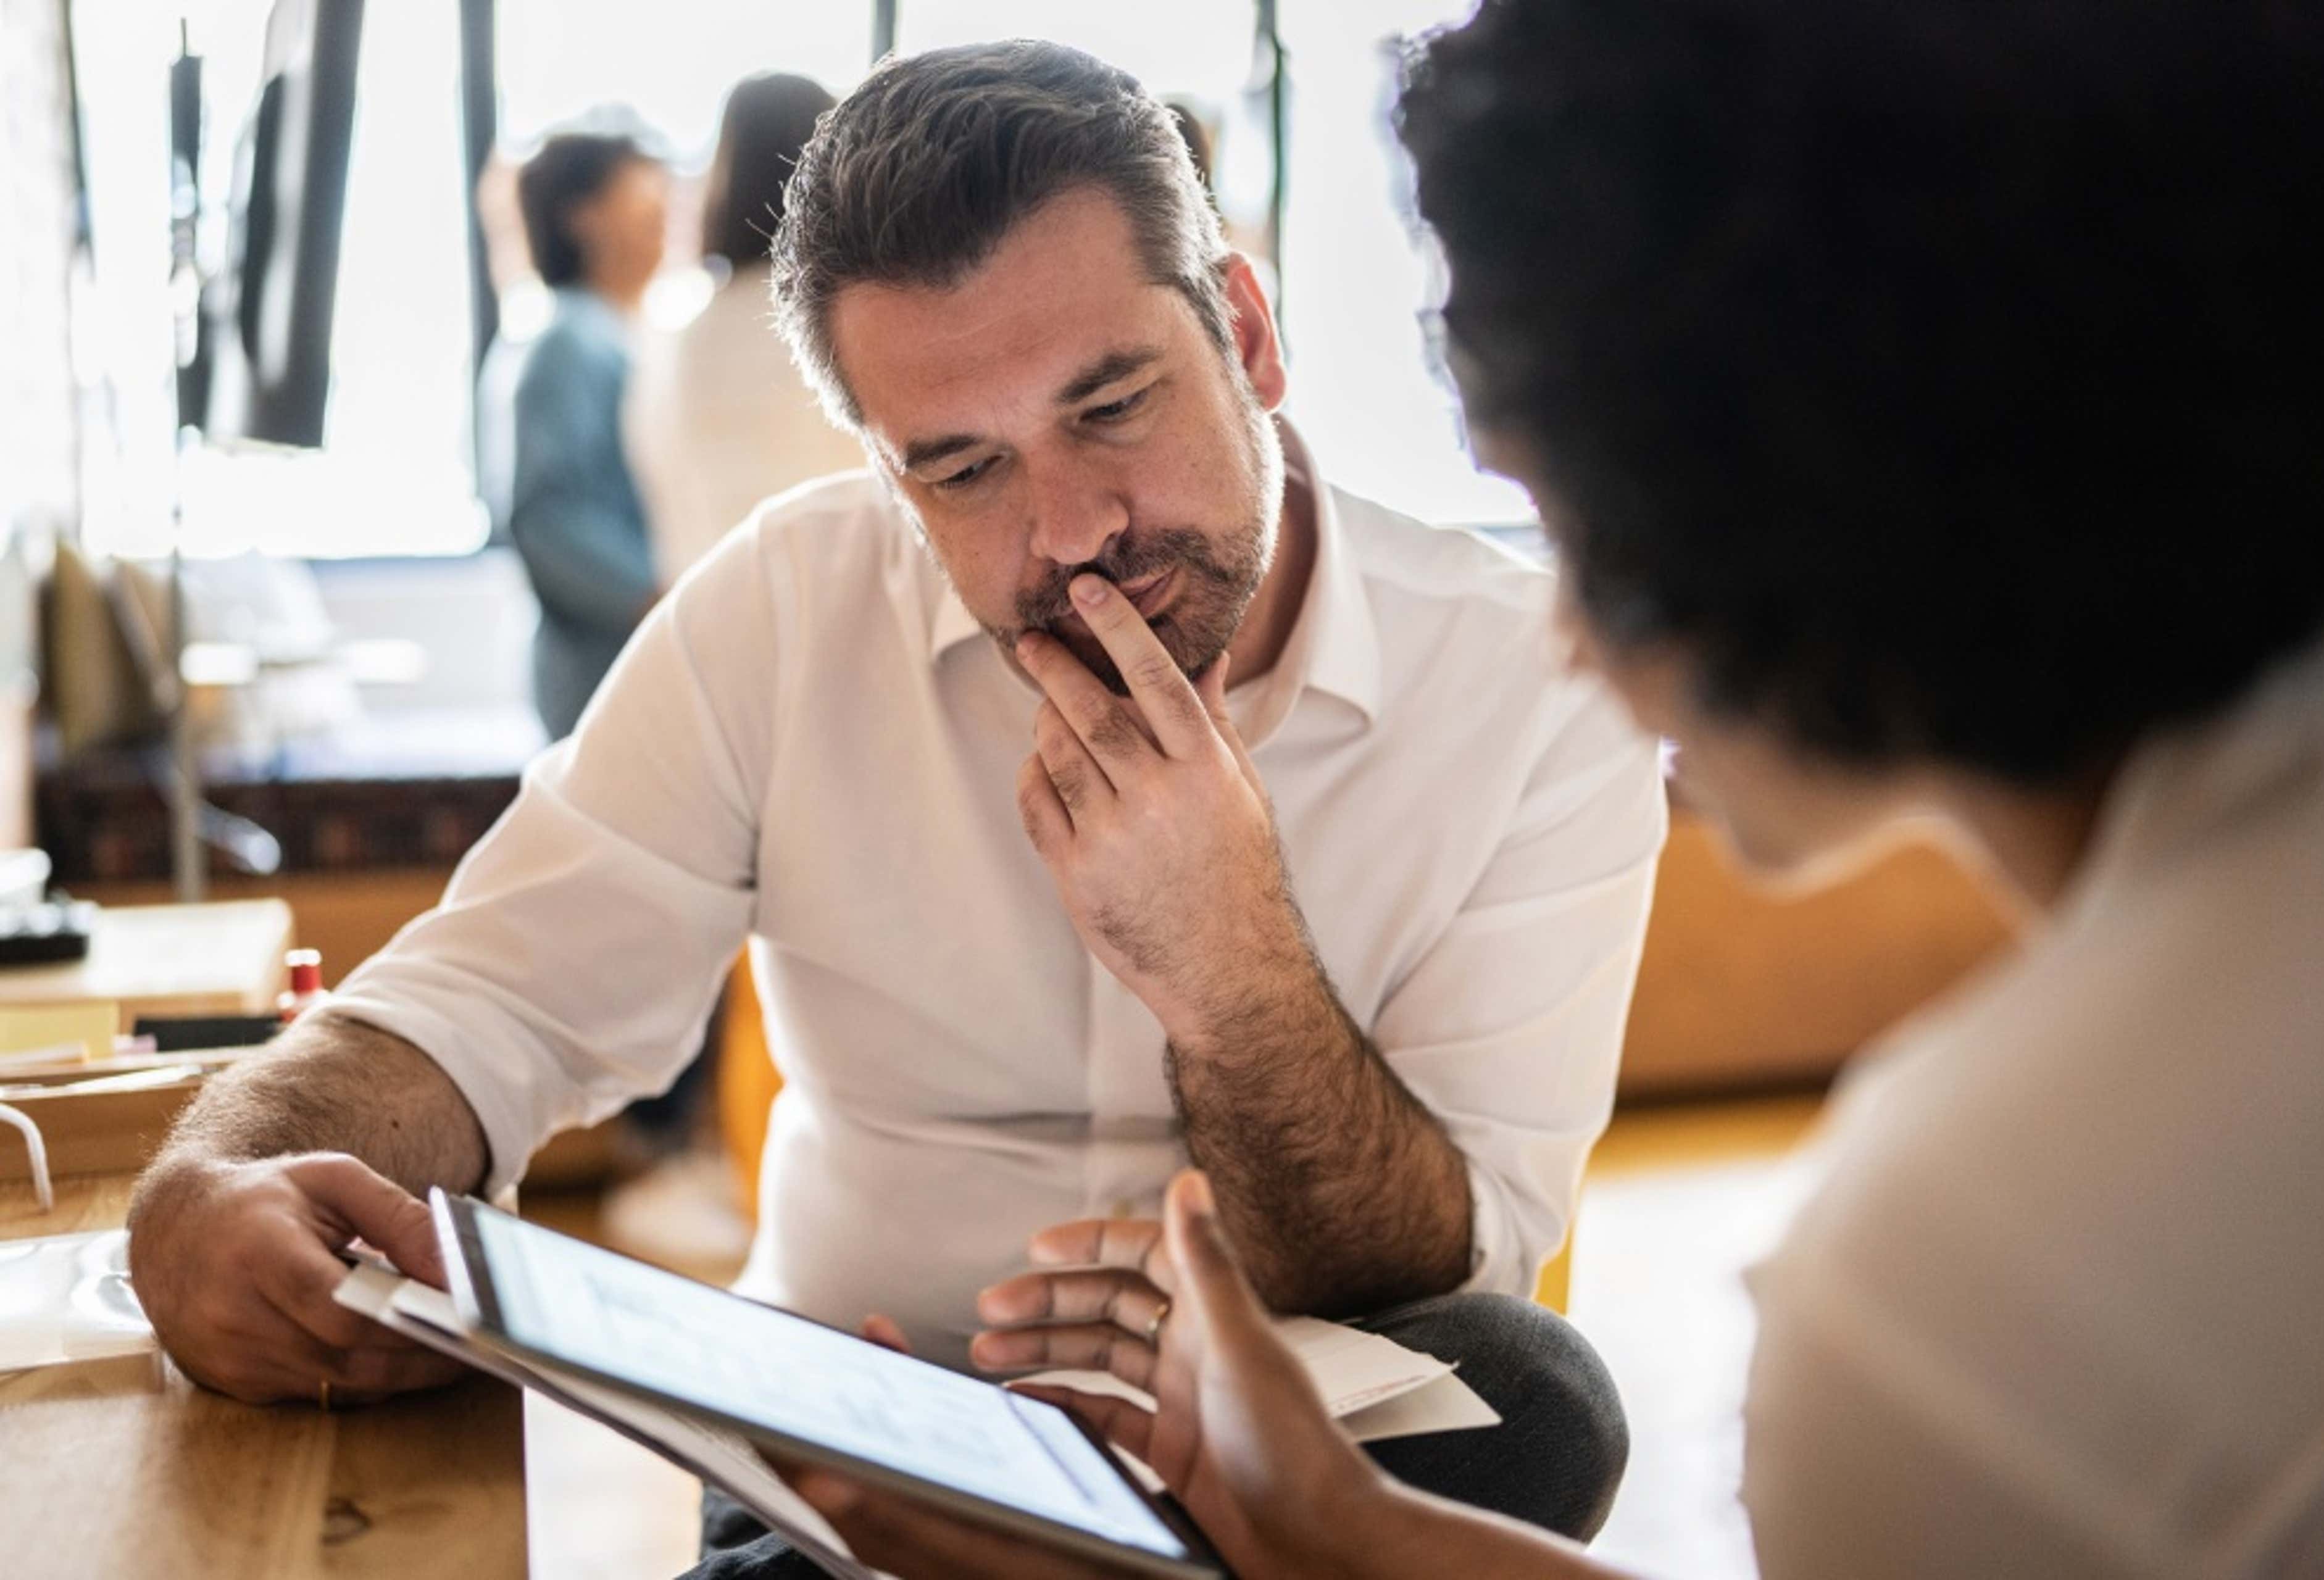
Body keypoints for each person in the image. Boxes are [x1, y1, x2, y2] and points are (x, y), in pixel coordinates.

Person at [757, 1, 2324, 1575]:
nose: (1583, 649)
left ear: (1794, 478)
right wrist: (1345, 1535)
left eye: (1574, 519)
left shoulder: (1966, 1301)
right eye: (960, 465)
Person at [121, 38, 1668, 1571]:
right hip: (868, 1421)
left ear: (1247, 336)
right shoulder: (789, 606)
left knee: (1533, 1396)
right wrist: (209, 1179)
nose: (1069, 536)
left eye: (1113, 404)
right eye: (963, 468)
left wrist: (1233, 963)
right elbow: (477, 1005)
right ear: (883, 465)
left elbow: (1446, 1259)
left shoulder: (1535, 682)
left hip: (1290, 1429)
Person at [626, 73, 867, 584]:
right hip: (840, 605)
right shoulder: (845, 322)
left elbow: (660, 492)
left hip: (706, 611)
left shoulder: (673, 334)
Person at [506, 130, 668, 739]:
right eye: (642, 190)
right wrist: (660, 595)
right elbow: (549, 519)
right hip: (602, 671)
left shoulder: (626, 334)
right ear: (583, 217)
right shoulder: (567, 344)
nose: (663, 207)